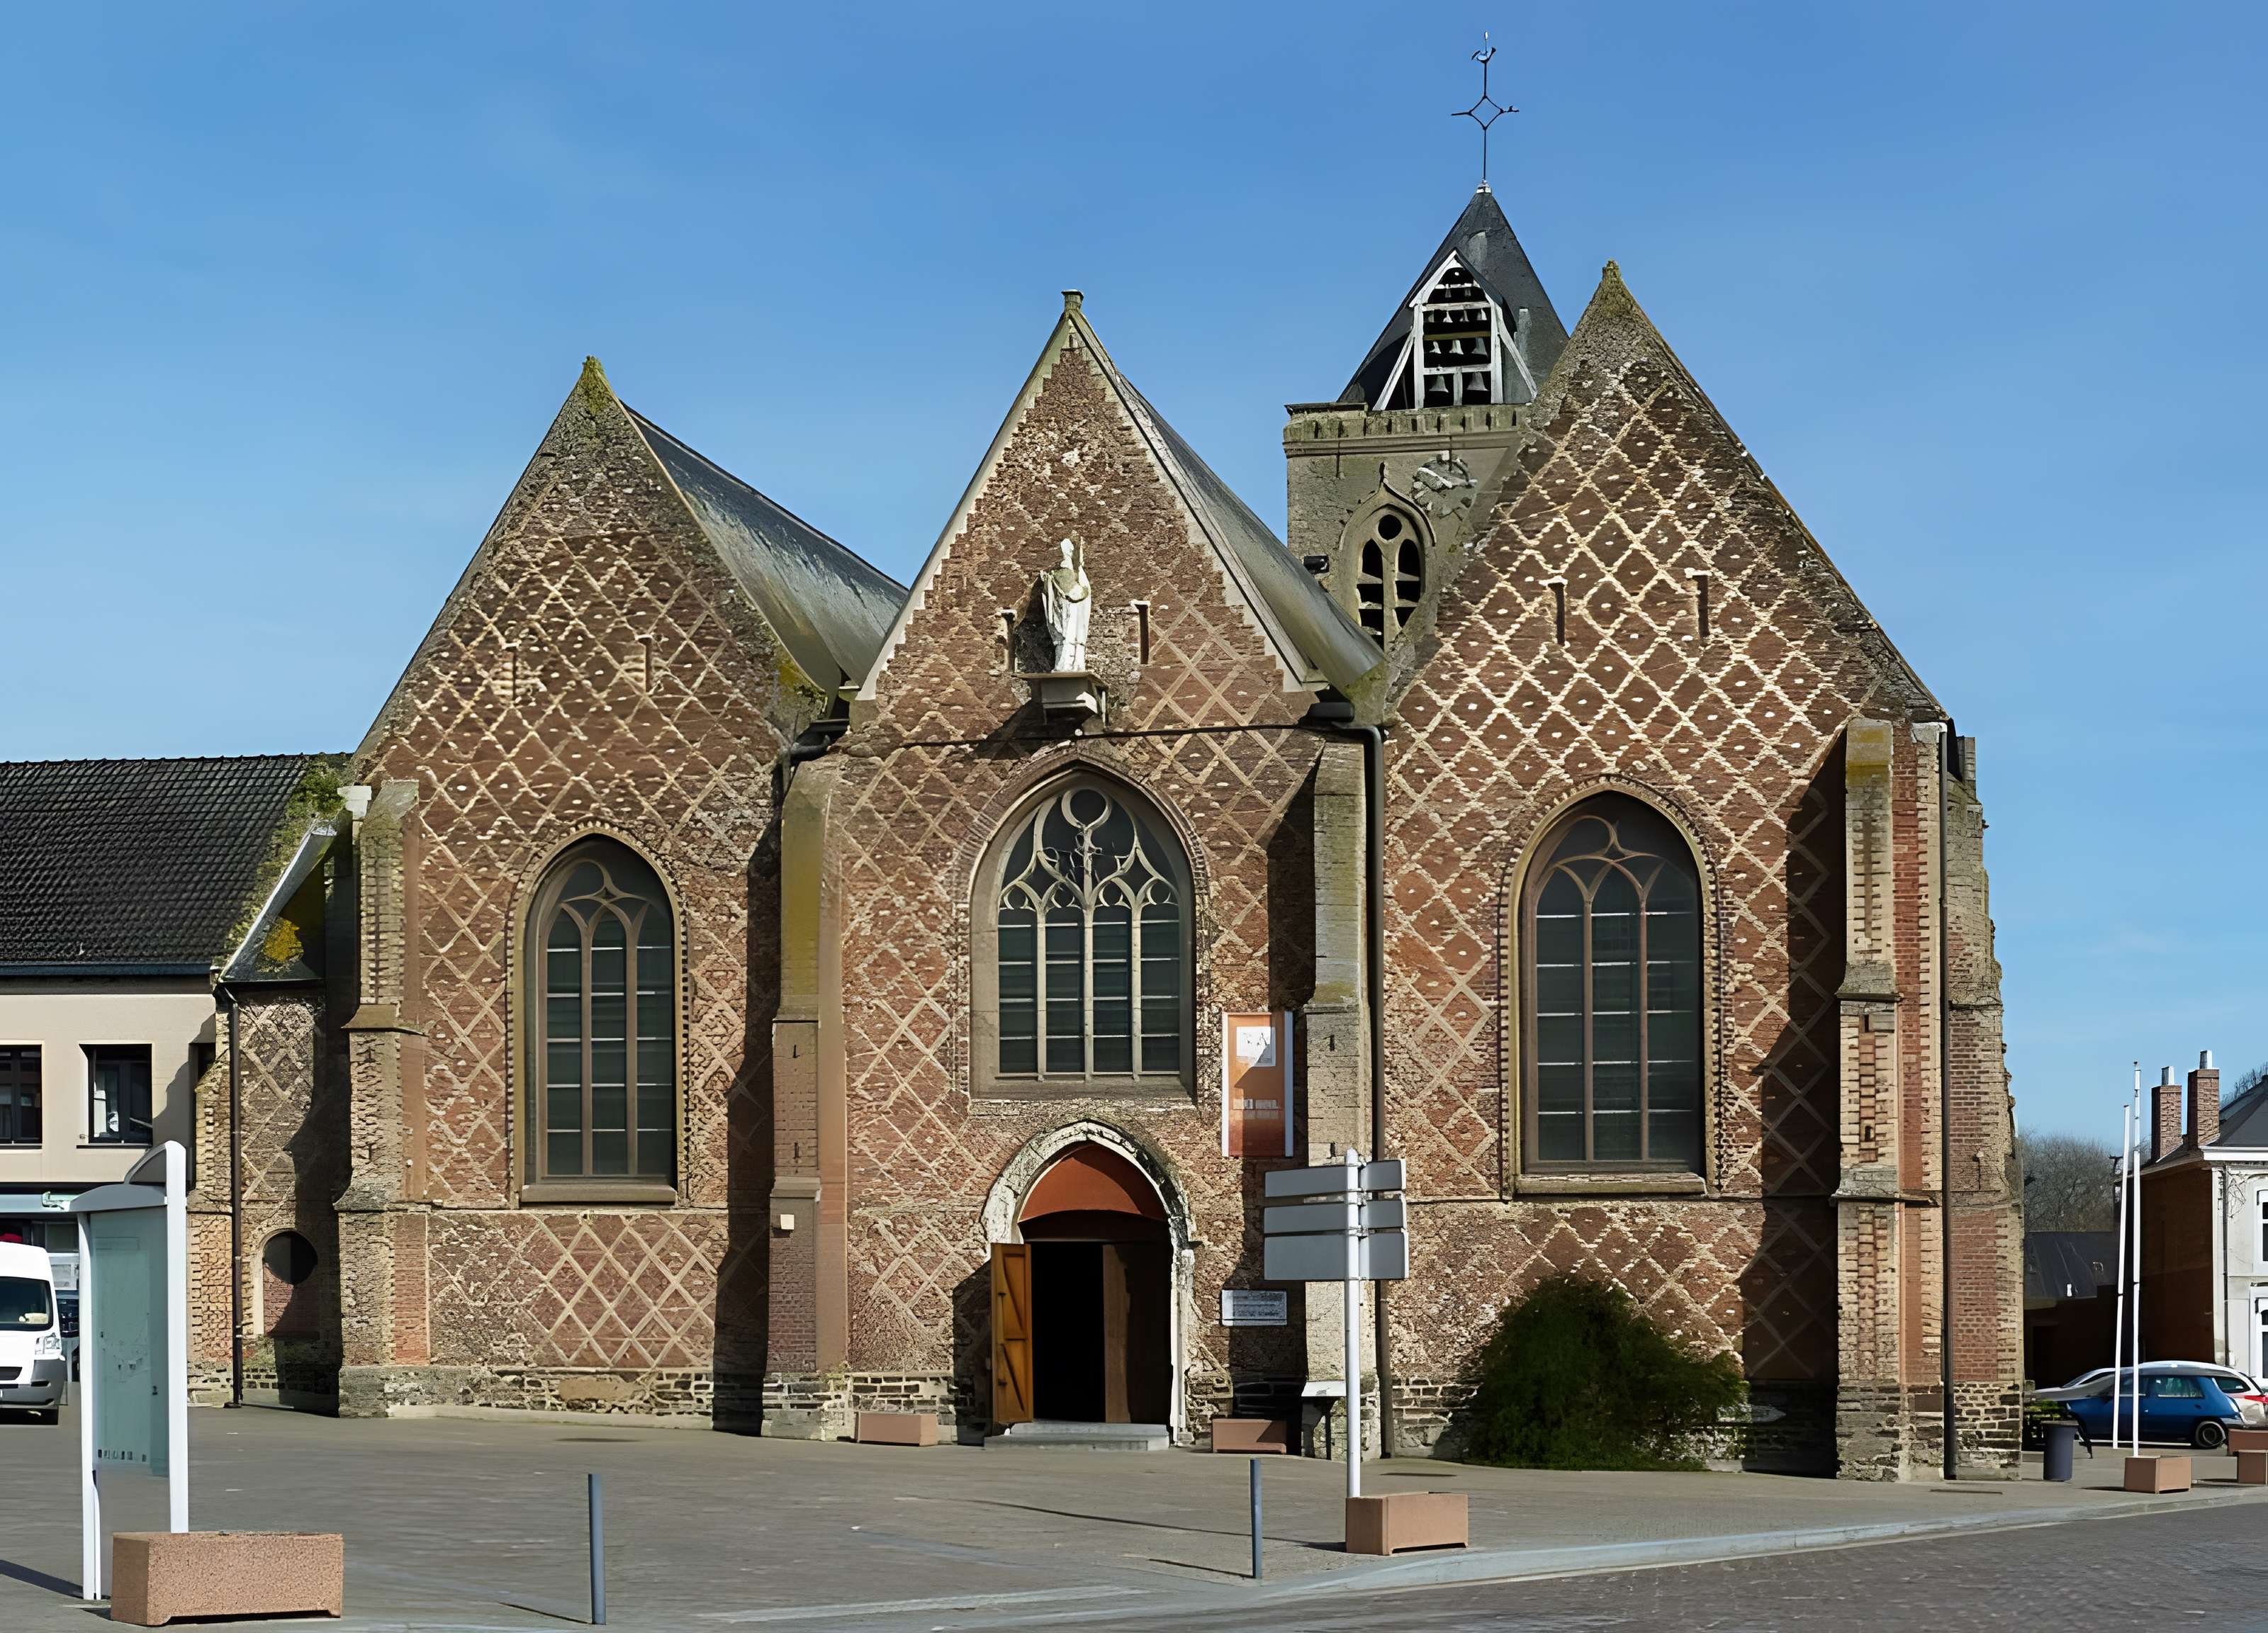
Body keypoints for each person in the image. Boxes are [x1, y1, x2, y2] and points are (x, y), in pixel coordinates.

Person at [1038, 537, 1091, 672]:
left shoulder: (1062, 574)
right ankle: (1067, 666)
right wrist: (1086, 588)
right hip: (1068, 626)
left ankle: (1069, 666)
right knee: (1067, 650)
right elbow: (1076, 594)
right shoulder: (1064, 574)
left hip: (1067, 632)